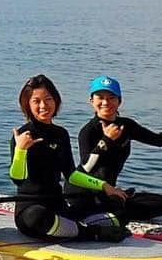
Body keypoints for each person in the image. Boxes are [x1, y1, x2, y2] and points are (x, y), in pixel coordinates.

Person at [10, 74, 131, 242]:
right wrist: (20, 150)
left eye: (48, 99)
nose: (44, 105)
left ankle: (76, 228)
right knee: (37, 217)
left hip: (58, 206)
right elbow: (18, 179)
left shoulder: (61, 134)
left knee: (119, 213)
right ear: (28, 105)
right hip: (32, 210)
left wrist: (105, 186)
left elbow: (72, 175)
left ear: (56, 101)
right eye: (36, 101)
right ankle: (91, 232)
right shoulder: (23, 136)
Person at [78, 76, 162, 206]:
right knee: (118, 205)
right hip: (89, 194)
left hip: (112, 193)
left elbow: (159, 140)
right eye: (100, 97)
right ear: (91, 101)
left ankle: (116, 207)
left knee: (161, 203)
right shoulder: (88, 131)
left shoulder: (126, 125)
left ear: (120, 101)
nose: (106, 102)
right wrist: (106, 140)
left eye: (111, 97)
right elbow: (86, 168)